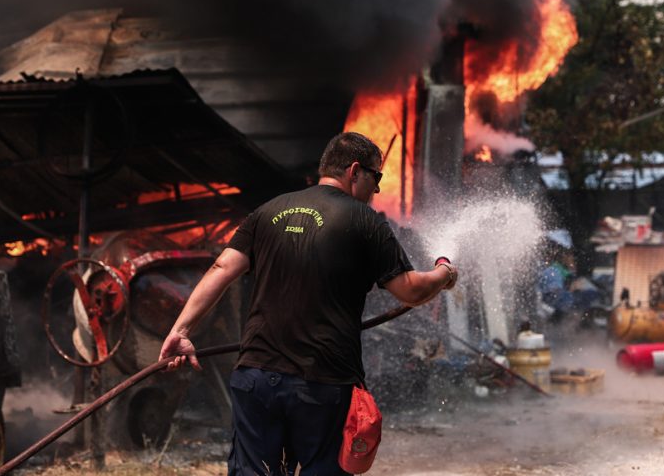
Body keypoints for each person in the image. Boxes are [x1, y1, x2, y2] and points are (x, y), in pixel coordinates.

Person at [158, 132, 459, 476]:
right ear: (355, 171)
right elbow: (411, 290)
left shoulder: (267, 211)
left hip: (256, 376)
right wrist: (443, 271)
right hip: (322, 383)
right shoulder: (365, 222)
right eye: (376, 178)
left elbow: (222, 268)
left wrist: (181, 330)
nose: (376, 191)